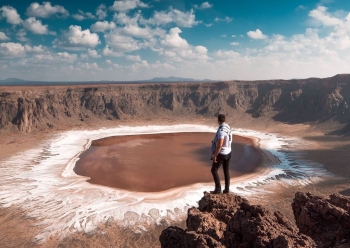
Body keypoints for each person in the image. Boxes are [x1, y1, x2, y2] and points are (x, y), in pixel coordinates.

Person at [210, 114, 232, 194]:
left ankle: (218, 189)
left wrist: (215, 155)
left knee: (214, 170)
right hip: (229, 152)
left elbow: (219, 145)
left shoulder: (221, 131)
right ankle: (227, 190)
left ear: (218, 121)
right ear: (225, 120)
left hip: (222, 153)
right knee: (226, 171)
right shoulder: (228, 127)